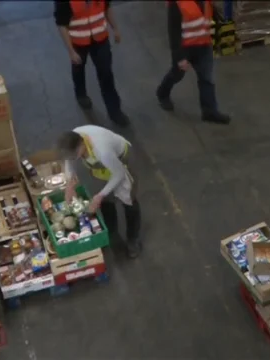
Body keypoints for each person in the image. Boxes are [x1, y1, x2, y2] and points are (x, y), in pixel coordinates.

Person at [58, 125, 142, 258]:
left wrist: (99, 196)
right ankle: (112, 233)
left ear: (81, 145)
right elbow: (69, 161)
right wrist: (69, 185)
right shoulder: (73, 138)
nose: (74, 159)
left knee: (128, 201)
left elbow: (118, 173)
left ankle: (133, 238)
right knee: (106, 201)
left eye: (76, 156)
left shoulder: (102, 150)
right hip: (101, 168)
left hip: (119, 164)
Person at [55, 0, 130, 127]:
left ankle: (115, 111)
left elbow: (107, 7)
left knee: (106, 74)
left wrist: (115, 28)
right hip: (78, 42)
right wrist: (71, 51)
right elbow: (62, 24)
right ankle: (81, 93)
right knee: (78, 68)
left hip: (100, 39)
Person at [156, 0, 231, 125]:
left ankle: (209, 111)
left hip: (204, 45)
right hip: (186, 48)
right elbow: (173, 32)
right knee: (177, 74)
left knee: (207, 78)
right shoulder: (178, 3)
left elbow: (210, 19)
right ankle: (162, 93)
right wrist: (179, 57)